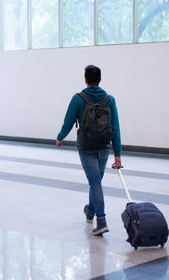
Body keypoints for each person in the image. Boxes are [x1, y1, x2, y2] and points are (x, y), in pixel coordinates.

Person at [56, 65, 122, 235]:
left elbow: (68, 121)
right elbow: (115, 127)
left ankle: (101, 220)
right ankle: (90, 210)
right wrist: (118, 155)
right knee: (96, 182)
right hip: (104, 147)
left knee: (95, 182)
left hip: (86, 147)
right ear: (100, 80)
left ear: (85, 79)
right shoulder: (110, 100)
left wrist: (60, 137)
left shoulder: (78, 98)